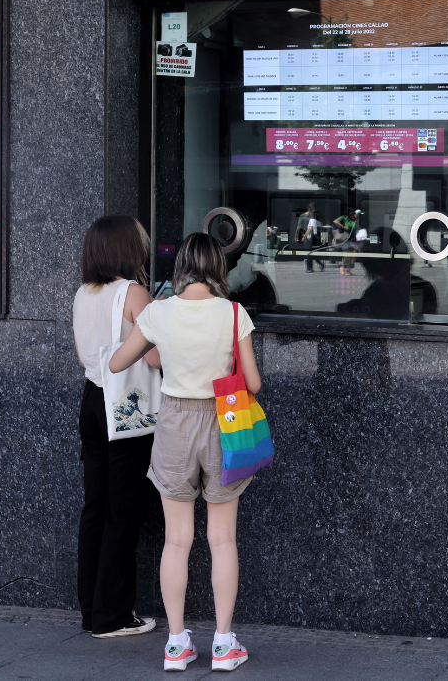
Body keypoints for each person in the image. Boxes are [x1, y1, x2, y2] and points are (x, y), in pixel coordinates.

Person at [109, 232, 261, 674]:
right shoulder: (234, 313)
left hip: (174, 422)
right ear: (218, 266)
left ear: (180, 268)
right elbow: (252, 384)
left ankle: (176, 645)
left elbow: (119, 363)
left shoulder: (158, 312)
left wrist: (164, 344)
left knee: (177, 540)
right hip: (224, 421)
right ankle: (224, 644)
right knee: (222, 539)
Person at [72, 215, 162, 638]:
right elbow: (156, 357)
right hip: (126, 407)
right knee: (122, 511)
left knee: (95, 507)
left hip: (92, 399)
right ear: (129, 248)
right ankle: (113, 616)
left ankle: (91, 610)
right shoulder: (134, 292)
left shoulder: (83, 293)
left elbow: (84, 358)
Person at [332, 207, 363, 276]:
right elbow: (335, 221)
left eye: (353, 212)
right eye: (351, 212)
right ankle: (342, 267)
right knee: (347, 256)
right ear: (348, 213)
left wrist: (356, 220)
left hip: (352, 239)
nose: (353, 213)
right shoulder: (344, 217)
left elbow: (358, 228)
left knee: (352, 256)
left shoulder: (353, 220)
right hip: (345, 239)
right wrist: (343, 226)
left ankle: (348, 270)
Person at [296, 203, 323, 273]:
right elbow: (299, 226)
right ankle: (310, 267)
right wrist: (297, 235)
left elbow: (314, 227)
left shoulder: (315, 216)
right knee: (309, 252)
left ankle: (312, 266)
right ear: (308, 209)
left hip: (311, 236)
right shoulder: (303, 216)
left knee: (311, 252)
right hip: (309, 236)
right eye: (312, 209)